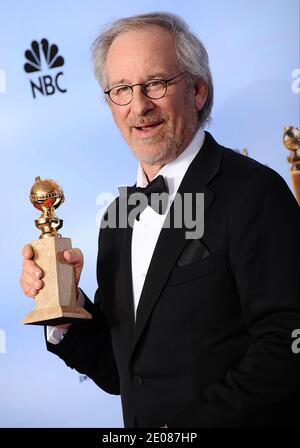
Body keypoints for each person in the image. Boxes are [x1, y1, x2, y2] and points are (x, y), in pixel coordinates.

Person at [20, 12, 300, 428]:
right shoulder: (119, 216)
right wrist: (65, 307)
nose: (139, 106)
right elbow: (127, 373)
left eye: (155, 83)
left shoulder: (254, 192)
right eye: (121, 89)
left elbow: (286, 347)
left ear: (198, 90)